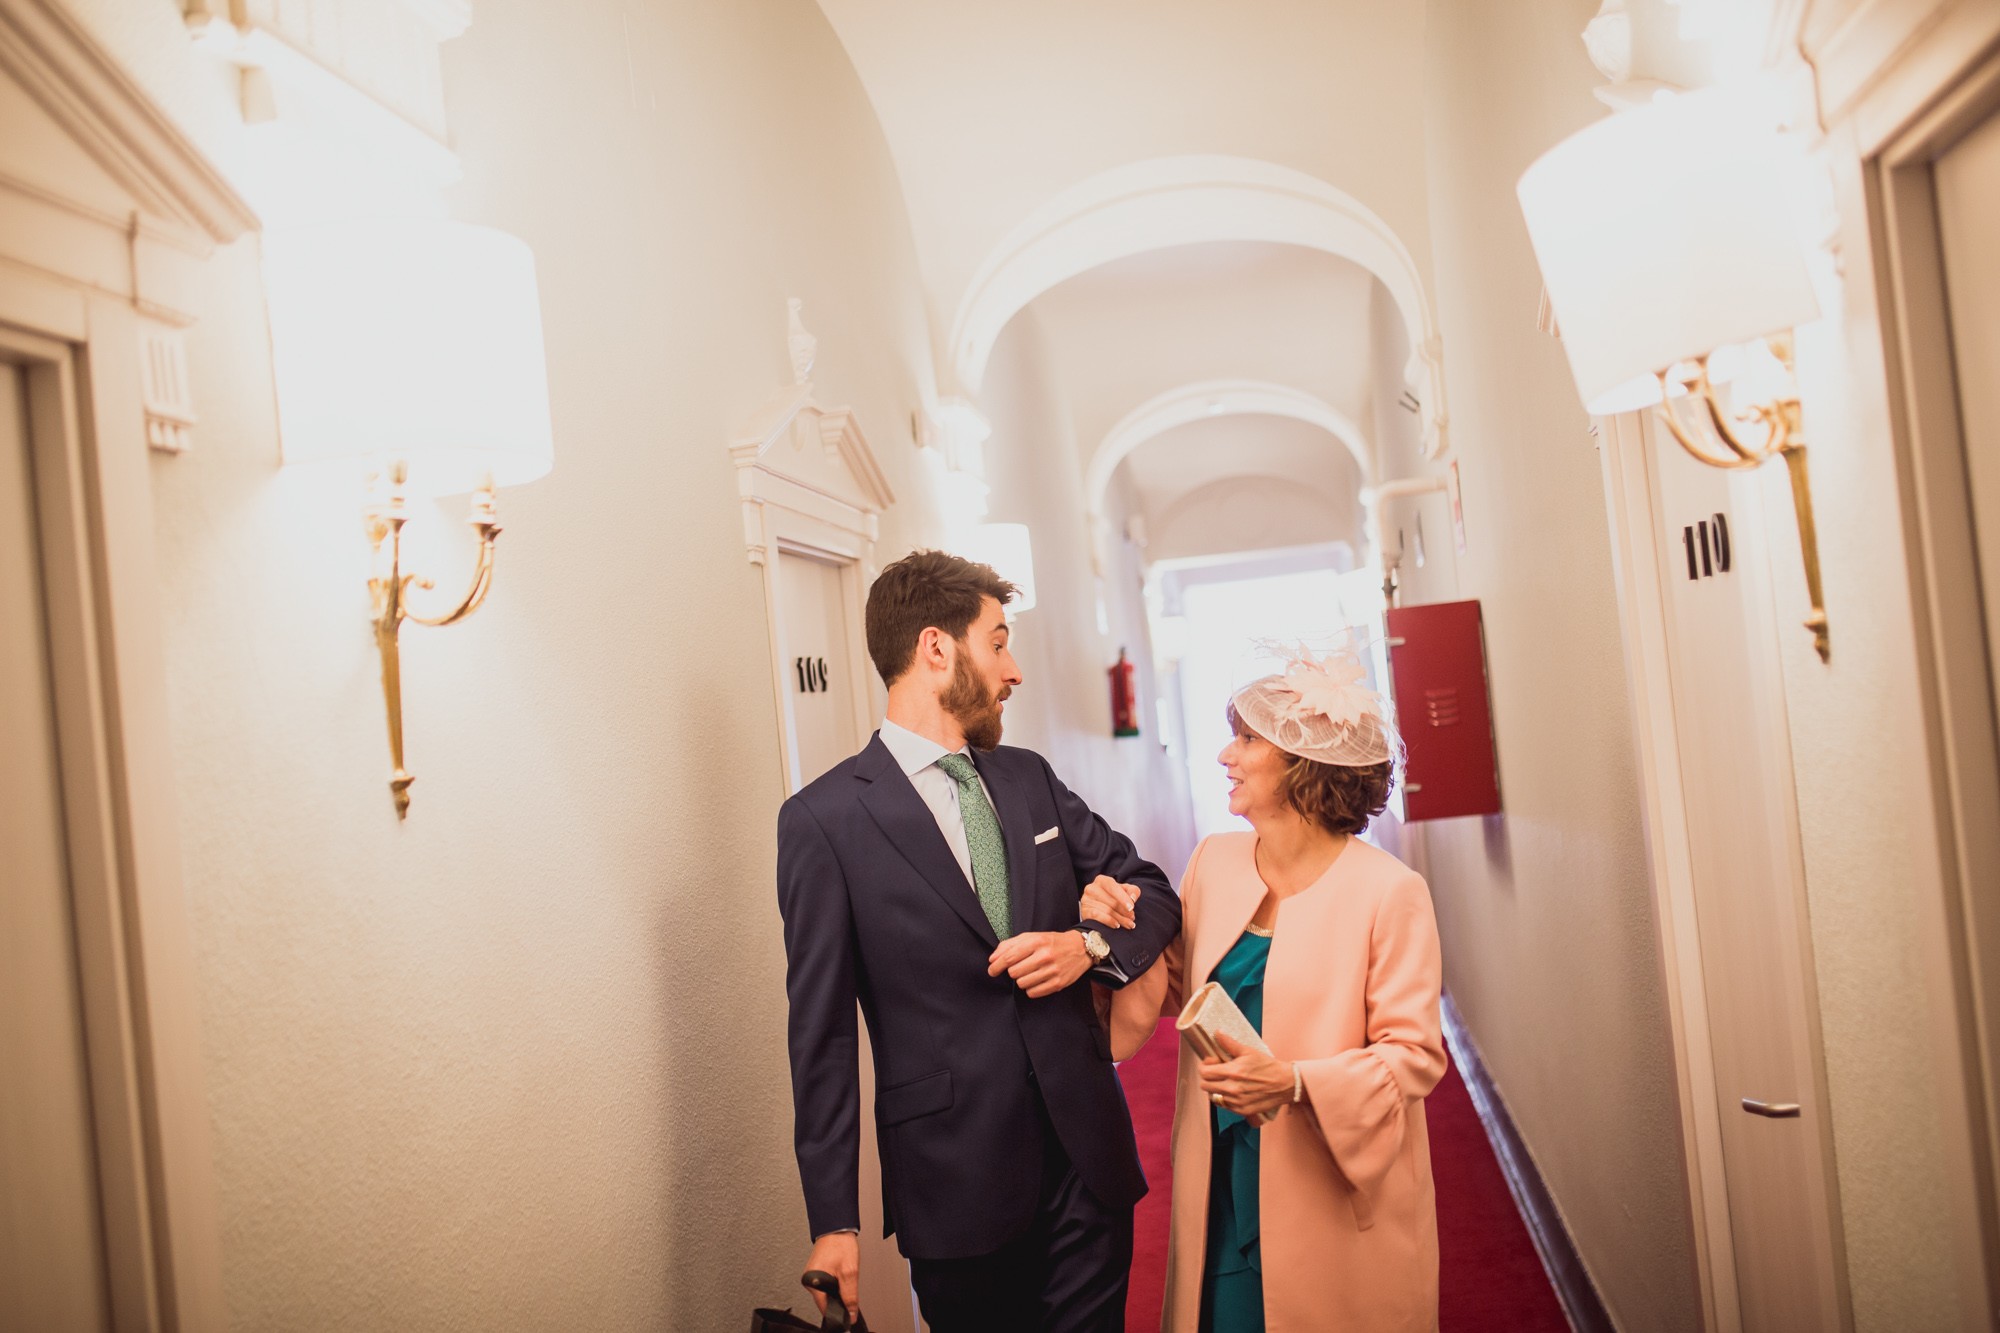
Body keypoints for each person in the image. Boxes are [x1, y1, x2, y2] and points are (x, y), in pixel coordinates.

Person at [776, 549, 1182, 1333]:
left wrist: (1088, 946)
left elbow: (1152, 889)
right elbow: (820, 1036)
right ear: (937, 647)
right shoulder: (823, 822)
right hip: (953, 1185)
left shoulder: (1029, 778)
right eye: (998, 642)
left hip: (1087, 1164)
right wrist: (835, 1220)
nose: (1014, 670)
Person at [1086, 637, 1446, 1332]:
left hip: (1328, 1179)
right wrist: (1114, 927)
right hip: (1221, 1174)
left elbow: (1414, 1056)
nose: (1227, 755)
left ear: (1303, 763)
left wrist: (1295, 1083)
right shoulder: (1213, 861)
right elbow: (1175, 986)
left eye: (1248, 739)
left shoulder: (1389, 891)